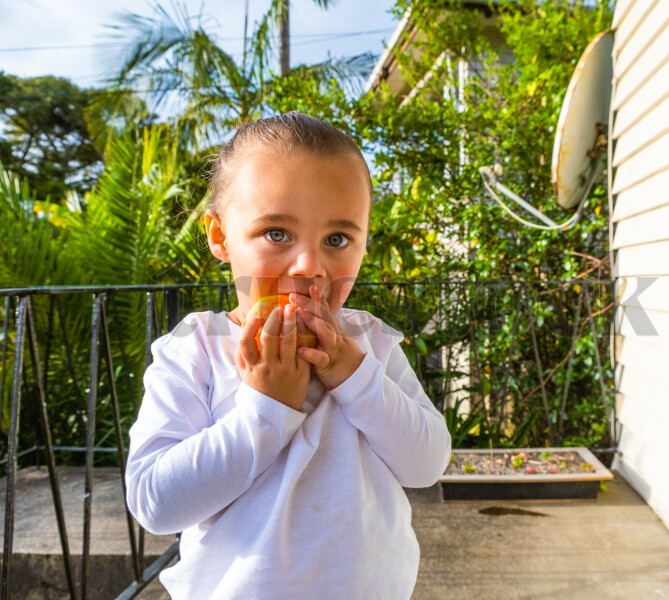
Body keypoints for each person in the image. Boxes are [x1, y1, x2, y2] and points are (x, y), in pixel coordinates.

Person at [125, 112, 452, 599]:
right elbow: (155, 503)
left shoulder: (373, 345)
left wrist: (354, 374)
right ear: (220, 237)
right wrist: (265, 407)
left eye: (337, 239)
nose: (310, 266)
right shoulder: (195, 351)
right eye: (277, 233)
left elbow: (426, 464)